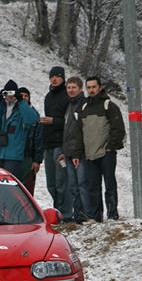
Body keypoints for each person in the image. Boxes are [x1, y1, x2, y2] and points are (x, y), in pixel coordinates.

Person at [81, 76, 126, 221]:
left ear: (100, 87)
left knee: (109, 185)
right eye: (89, 87)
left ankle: (112, 215)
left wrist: (110, 147)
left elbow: (119, 129)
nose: (91, 90)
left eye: (94, 87)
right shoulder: (84, 107)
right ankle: (96, 217)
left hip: (106, 153)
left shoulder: (109, 105)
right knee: (93, 187)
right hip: (90, 154)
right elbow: (80, 131)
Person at [0, 80, 39, 177]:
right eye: (6, 92)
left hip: (13, 157)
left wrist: (21, 101)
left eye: (12, 92)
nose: (9, 95)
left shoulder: (22, 109)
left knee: (8, 186)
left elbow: (32, 119)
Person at [41, 66, 71, 219]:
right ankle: (57, 211)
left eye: (58, 76)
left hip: (61, 144)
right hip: (48, 144)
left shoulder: (67, 96)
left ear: (63, 78)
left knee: (61, 183)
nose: (54, 79)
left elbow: (69, 122)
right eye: (52, 76)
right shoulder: (48, 96)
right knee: (51, 184)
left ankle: (65, 214)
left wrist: (53, 121)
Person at [61, 76, 89, 223]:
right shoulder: (69, 105)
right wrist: (64, 152)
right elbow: (67, 131)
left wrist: (77, 153)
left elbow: (81, 131)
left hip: (80, 153)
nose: (71, 90)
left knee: (82, 185)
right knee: (73, 186)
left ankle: (86, 215)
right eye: (69, 87)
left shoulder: (83, 104)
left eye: (74, 87)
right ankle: (77, 215)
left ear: (80, 89)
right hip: (69, 152)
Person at [17, 87, 44, 194]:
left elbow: (39, 138)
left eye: (26, 96)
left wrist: (37, 160)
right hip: (13, 157)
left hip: (28, 157)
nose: (23, 98)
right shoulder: (13, 114)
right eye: (21, 96)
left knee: (27, 190)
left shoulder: (34, 115)